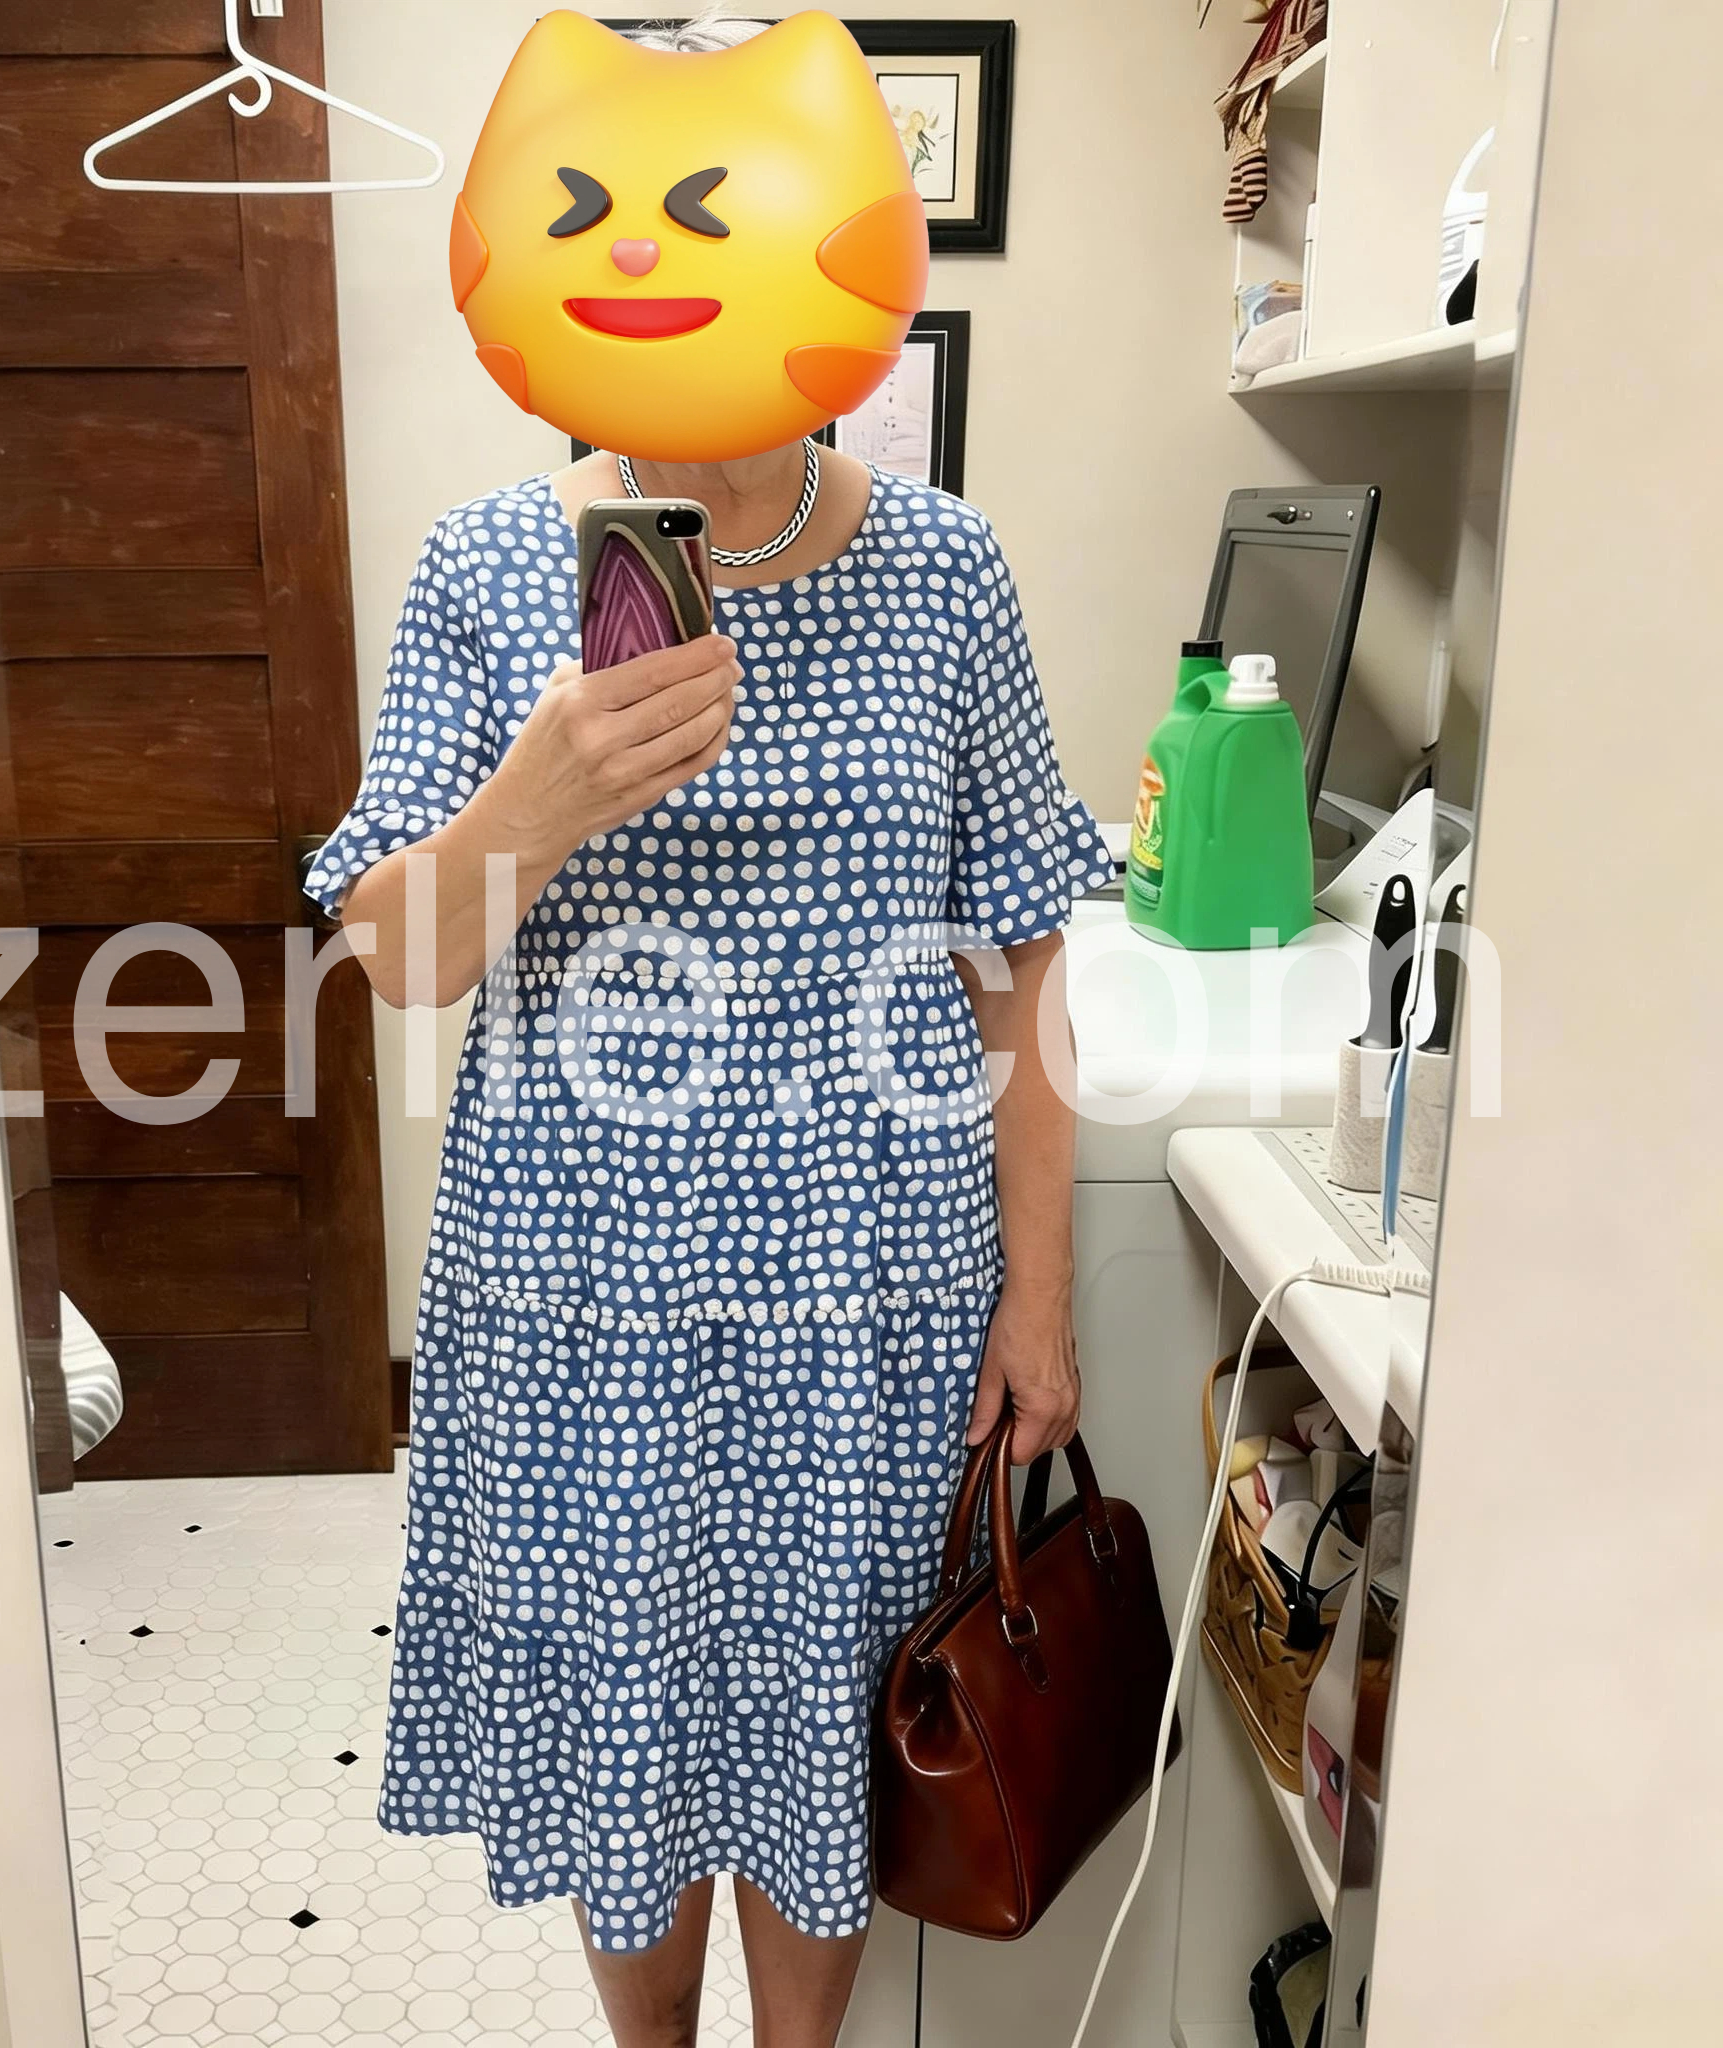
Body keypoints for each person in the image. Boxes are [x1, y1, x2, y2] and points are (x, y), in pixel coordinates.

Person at [303, 19, 1114, 2046]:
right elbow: (394, 955)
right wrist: (535, 803)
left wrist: (1039, 1298)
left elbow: (1026, 961)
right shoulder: (487, 570)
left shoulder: (944, 572)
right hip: (582, 1291)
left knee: (825, 1726)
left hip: (869, 1291)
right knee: (628, 1737)